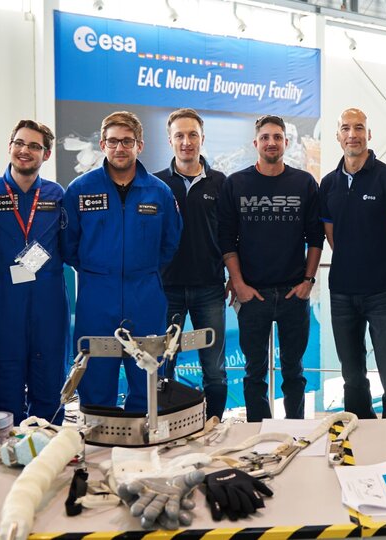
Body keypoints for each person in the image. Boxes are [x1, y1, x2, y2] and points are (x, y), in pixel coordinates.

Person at [61, 111, 182, 411]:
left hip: (146, 295)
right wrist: (100, 270)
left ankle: (145, 447)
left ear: (139, 145)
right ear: (102, 144)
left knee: (148, 380)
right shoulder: (80, 190)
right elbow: (68, 244)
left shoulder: (159, 192)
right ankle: (99, 448)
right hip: (96, 297)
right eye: (113, 141)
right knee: (96, 379)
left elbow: (170, 242)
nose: (120, 148)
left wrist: (142, 270)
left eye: (127, 141)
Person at [217, 115, 323, 422]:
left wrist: (308, 281)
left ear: (286, 143)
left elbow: (315, 237)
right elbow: (226, 239)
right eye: (265, 137)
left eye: (277, 137)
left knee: (294, 372)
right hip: (253, 296)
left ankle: (296, 433)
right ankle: (257, 435)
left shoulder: (303, 183)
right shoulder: (236, 183)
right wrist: (238, 283)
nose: (271, 142)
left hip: (293, 294)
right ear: (256, 143)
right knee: (255, 373)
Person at [0, 120, 67, 423]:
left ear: (45, 155)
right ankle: (3, 456)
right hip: (3, 302)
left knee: (50, 382)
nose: (25, 151)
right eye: (19, 143)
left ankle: (50, 451)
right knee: (3, 381)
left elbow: (68, 244)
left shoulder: (56, 194)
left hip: (48, 302)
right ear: (10, 147)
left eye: (34, 146)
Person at [319, 108, 386, 419]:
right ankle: (358, 440)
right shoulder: (328, 184)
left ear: (368, 134)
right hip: (342, 294)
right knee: (352, 377)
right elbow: (334, 238)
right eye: (345, 128)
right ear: (337, 136)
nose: (352, 134)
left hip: (383, 296)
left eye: (359, 127)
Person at [154, 108, 228, 420]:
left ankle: (214, 425)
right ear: (169, 140)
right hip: (166, 290)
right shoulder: (155, 185)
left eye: (192, 135)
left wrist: (233, 277)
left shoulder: (221, 183)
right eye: (180, 135)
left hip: (209, 289)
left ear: (202, 138)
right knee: (162, 367)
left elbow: (231, 236)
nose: (187, 141)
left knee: (214, 368)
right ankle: (170, 426)